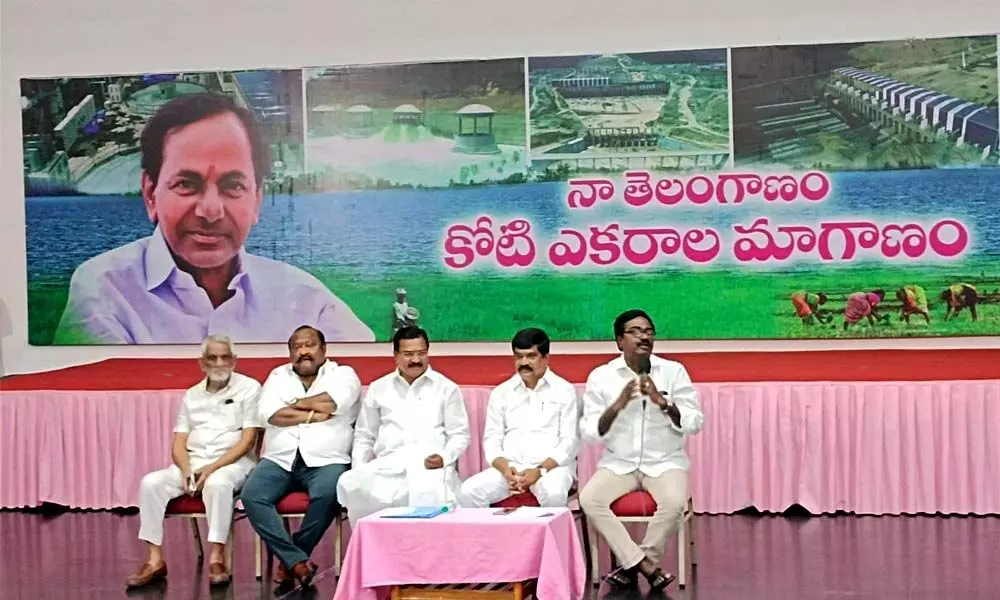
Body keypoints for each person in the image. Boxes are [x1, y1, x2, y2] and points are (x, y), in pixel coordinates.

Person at [54, 92, 374, 345]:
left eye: (233, 186)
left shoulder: (306, 300)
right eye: (186, 184)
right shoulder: (105, 291)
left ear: (257, 200)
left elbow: (366, 386)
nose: (211, 211)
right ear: (150, 194)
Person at [579, 309, 704, 593]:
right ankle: (646, 567)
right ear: (619, 341)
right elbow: (590, 431)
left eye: (648, 331)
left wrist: (663, 402)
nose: (644, 336)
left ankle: (634, 563)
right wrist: (619, 403)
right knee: (590, 499)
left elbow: (695, 422)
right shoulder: (602, 376)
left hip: (665, 462)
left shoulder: (673, 371)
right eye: (635, 331)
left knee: (674, 503)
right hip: (618, 463)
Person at [126, 335, 261, 588]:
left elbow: (248, 440)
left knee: (217, 484)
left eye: (224, 357)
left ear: (234, 360)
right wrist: (187, 470)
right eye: (212, 357)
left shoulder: (249, 388)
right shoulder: (191, 395)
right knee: (150, 483)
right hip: (194, 463)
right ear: (202, 363)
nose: (219, 363)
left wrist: (211, 469)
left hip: (233, 463)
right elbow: (178, 442)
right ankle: (155, 559)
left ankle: (217, 555)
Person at [240, 326, 361, 588]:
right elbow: (269, 415)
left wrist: (293, 402)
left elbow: (332, 403)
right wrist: (312, 414)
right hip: (280, 458)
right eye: (297, 347)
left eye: (310, 345)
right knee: (252, 496)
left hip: (327, 458)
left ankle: (290, 560)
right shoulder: (277, 376)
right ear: (290, 352)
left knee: (330, 493)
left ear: (324, 349)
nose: (303, 351)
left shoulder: (343, 374)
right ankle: (297, 561)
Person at [337, 327, 470, 526]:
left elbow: (460, 435)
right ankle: (376, 553)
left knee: (432, 494)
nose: (416, 359)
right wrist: (361, 468)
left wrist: (443, 458)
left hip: (428, 467)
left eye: (421, 353)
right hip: (389, 466)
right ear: (396, 356)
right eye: (408, 354)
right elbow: (365, 435)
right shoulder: (378, 388)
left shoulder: (446, 388)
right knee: (351, 482)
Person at [458, 328, 579, 508]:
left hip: (551, 470)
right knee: (468, 492)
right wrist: (506, 470)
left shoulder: (565, 391)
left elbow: (569, 443)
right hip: (510, 470)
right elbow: (492, 440)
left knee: (553, 493)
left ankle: (549, 537)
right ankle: (493, 537)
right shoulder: (502, 393)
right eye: (518, 357)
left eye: (531, 356)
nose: (524, 363)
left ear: (546, 358)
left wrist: (539, 471)